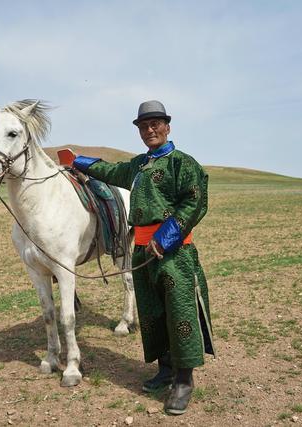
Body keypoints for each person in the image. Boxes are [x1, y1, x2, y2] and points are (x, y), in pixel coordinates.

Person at [73, 100, 215, 415]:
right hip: (142, 251)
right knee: (151, 314)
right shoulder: (138, 165)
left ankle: (183, 380)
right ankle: (165, 370)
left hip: (174, 252)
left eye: (155, 124)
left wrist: (164, 239)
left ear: (167, 126)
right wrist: (78, 161)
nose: (150, 130)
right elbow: (108, 170)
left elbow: (193, 204)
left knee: (180, 314)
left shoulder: (183, 163)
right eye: (143, 126)